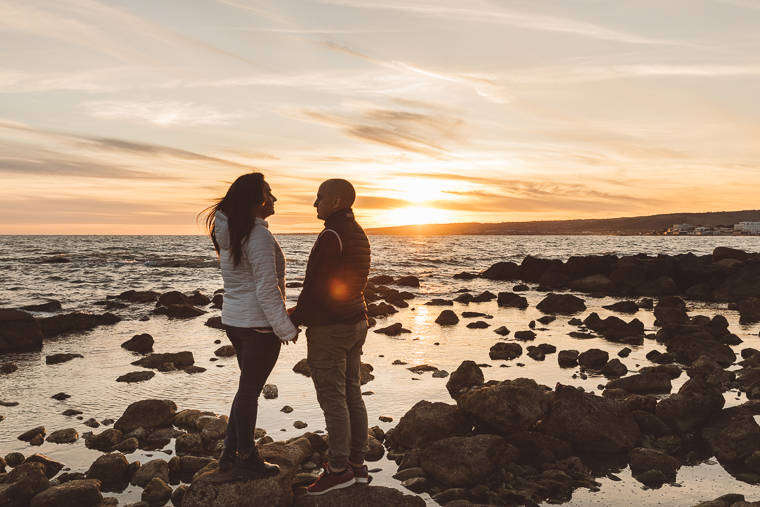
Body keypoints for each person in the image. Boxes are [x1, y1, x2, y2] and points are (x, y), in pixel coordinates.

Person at [200, 172, 298, 477]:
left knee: (246, 389)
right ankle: (246, 457)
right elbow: (267, 290)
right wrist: (286, 328)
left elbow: (248, 285)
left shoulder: (233, 233)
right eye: (269, 192)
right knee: (249, 391)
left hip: (236, 322)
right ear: (256, 200)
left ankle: (229, 455)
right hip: (258, 327)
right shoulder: (257, 236)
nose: (275, 198)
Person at [288, 178, 371, 495]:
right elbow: (348, 284)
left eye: (319, 197)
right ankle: (357, 466)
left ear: (336, 201)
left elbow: (316, 287)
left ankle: (338, 470)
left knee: (334, 401)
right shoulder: (358, 233)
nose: (314, 203)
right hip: (356, 322)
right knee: (352, 394)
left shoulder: (331, 235)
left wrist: (295, 321)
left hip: (332, 330)